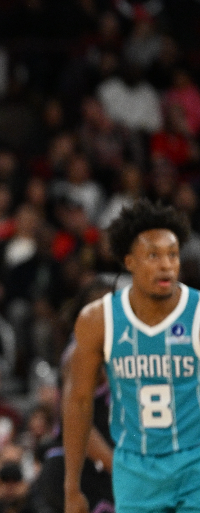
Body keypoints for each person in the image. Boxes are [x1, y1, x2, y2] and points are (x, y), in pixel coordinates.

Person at [64, 199, 200, 513]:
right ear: (129, 262)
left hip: (194, 464)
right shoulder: (98, 320)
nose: (166, 265)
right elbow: (78, 401)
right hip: (135, 471)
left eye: (172, 255)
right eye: (153, 256)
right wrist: (71, 486)